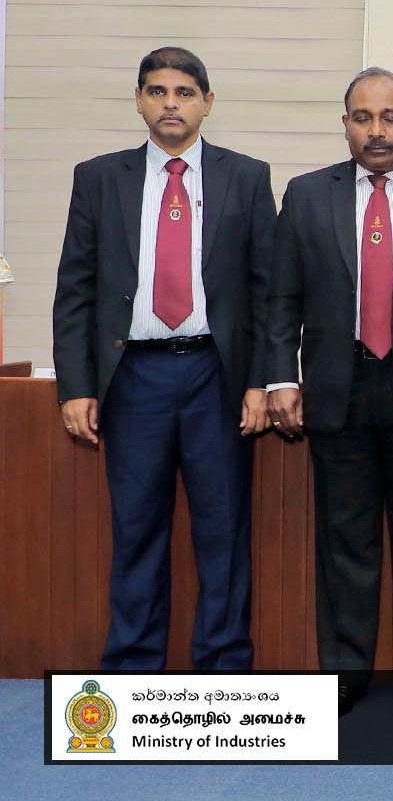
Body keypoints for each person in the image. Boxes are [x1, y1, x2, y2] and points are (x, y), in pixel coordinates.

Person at [52, 46, 275, 670]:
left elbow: (268, 290)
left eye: (183, 92)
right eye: (157, 91)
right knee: (137, 530)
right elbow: (75, 289)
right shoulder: (99, 178)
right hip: (134, 378)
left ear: (207, 102)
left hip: (216, 375)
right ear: (139, 100)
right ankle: (131, 671)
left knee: (223, 532)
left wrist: (261, 380)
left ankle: (224, 672)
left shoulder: (247, 177)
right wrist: (75, 386)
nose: (170, 104)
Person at [265, 69, 393, 715]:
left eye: (390, 117)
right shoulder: (307, 195)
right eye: (363, 117)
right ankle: (346, 673)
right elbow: (283, 295)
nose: (377, 130)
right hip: (337, 387)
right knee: (344, 539)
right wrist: (281, 375)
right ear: (346, 124)